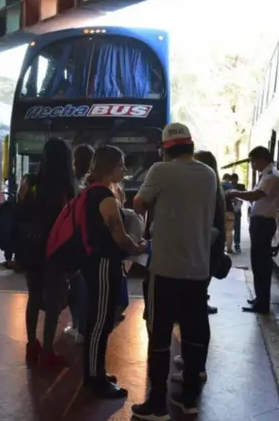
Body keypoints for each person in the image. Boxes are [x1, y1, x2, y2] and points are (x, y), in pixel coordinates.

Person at [131, 123, 217, 419]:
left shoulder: (160, 170)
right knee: (193, 333)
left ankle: (157, 404)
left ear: (166, 149)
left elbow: (138, 204)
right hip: (198, 269)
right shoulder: (209, 174)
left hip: (166, 269)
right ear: (190, 145)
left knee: (159, 336)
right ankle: (189, 399)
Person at [81, 145, 145, 398]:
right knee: (100, 321)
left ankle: (95, 370)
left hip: (96, 262)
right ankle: (94, 378)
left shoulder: (93, 191)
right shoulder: (104, 196)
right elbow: (118, 234)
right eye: (120, 164)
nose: (124, 169)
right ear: (109, 166)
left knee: (99, 319)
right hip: (104, 263)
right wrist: (136, 247)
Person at [20, 138, 76, 368]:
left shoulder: (30, 181)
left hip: (30, 247)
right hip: (54, 248)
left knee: (34, 296)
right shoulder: (66, 187)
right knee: (53, 301)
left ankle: (32, 345)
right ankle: (48, 351)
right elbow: (68, 221)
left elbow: (21, 209)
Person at [226, 146, 279, 314]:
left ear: (261, 159)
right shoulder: (266, 175)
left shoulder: (271, 176)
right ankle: (259, 298)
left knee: (261, 264)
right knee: (257, 263)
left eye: (253, 161)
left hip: (263, 223)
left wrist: (234, 192)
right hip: (259, 222)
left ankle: (262, 303)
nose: (252, 165)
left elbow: (256, 195)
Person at [63, 143, 95, 343]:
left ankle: (76, 324)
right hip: (91, 239)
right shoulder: (96, 182)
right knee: (88, 285)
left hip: (74, 239)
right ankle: (84, 326)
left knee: (74, 285)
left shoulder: (70, 183)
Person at [196, 151, 227, 315]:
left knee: (202, 273)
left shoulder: (204, 187)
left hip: (206, 237)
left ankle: (199, 303)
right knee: (205, 272)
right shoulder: (216, 186)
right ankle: (201, 302)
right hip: (215, 237)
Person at [230, 173, 246, 253]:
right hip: (232, 211)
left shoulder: (240, 187)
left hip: (233, 211)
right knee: (234, 229)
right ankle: (235, 245)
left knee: (233, 229)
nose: (234, 181)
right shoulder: (240, 187)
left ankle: (235, 245)